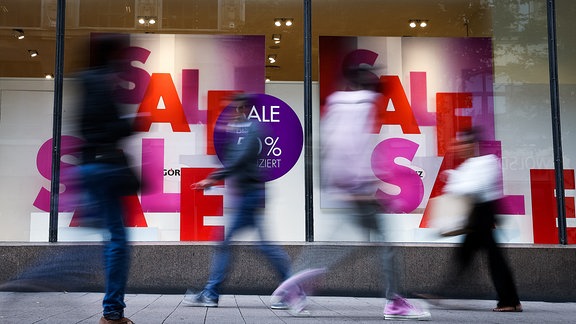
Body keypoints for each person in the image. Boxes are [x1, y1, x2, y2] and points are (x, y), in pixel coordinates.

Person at [270, 66, 431, 320]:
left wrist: (335, 183)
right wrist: (360, 185)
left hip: (344, 186)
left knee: (338, 244)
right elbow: (350, 145)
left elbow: (327, 146)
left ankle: (297, 284)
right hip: (357, 189)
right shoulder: (363, 106)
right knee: (382, 244)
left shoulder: (337, 106)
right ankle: (395, 301)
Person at [182, 94, 291, 308]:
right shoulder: (240, 130)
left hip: (251, 196)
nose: (233, 112)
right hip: (248, 195)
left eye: (236, 108)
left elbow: (239, 161)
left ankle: (211, 293)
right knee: (259, 246)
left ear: (244, 109)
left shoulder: (253, 129)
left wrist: (213, 178)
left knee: (239, 244)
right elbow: (233, 159)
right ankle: (291, 290)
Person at [77, 35, 137, 324]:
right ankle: (112, 313)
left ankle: (113, 312)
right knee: (117, 241)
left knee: (110, 238)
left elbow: (87, 126)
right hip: (103, 170)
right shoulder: (102, 81)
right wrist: (132, 123)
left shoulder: (89, 80)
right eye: (123, 53)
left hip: (93, 168)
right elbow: (105, 129)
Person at [437, 128, 522, 312]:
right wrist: (453, 177)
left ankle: (509, 301)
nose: (459, 147)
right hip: (476, 214)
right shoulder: (471, 164)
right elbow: (461, 184)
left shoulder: (487, 162)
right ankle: (442, 292)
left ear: (472, 145)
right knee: (467, 255)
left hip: (483, 213)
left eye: (463, 143)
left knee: (490, 258)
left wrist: (455, 181)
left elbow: (473, 187)